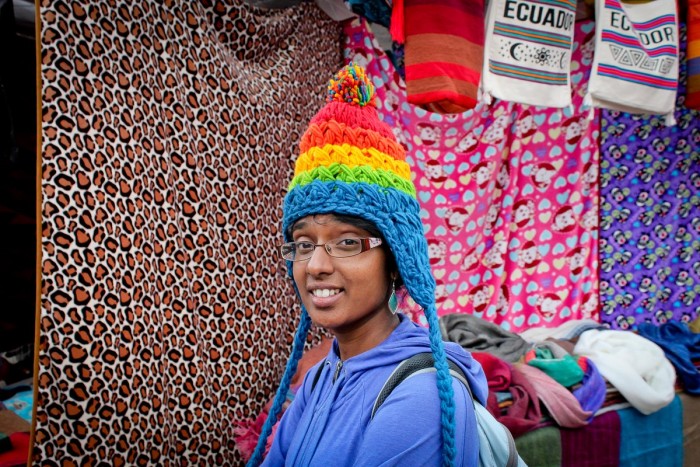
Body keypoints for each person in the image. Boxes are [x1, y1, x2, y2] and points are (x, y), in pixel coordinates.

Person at [247, 63, 488, 467]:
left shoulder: (419, 400)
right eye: (303, 243)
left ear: (395, 260)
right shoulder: (321, 378)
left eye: (346, 242)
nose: (316, 265)